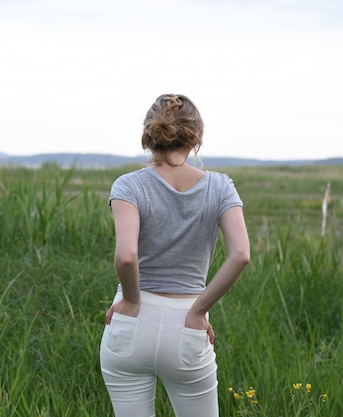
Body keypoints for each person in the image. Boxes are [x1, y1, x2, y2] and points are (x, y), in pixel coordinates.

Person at [100, 94, 251, 417]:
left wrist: (130, 301)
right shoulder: (221, 187)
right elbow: (240, 254)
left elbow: (126, 256)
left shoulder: (128, 186)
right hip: (186, 326)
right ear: (195, 137)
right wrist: (199, 311)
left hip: (131, 323)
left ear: (149, 134)